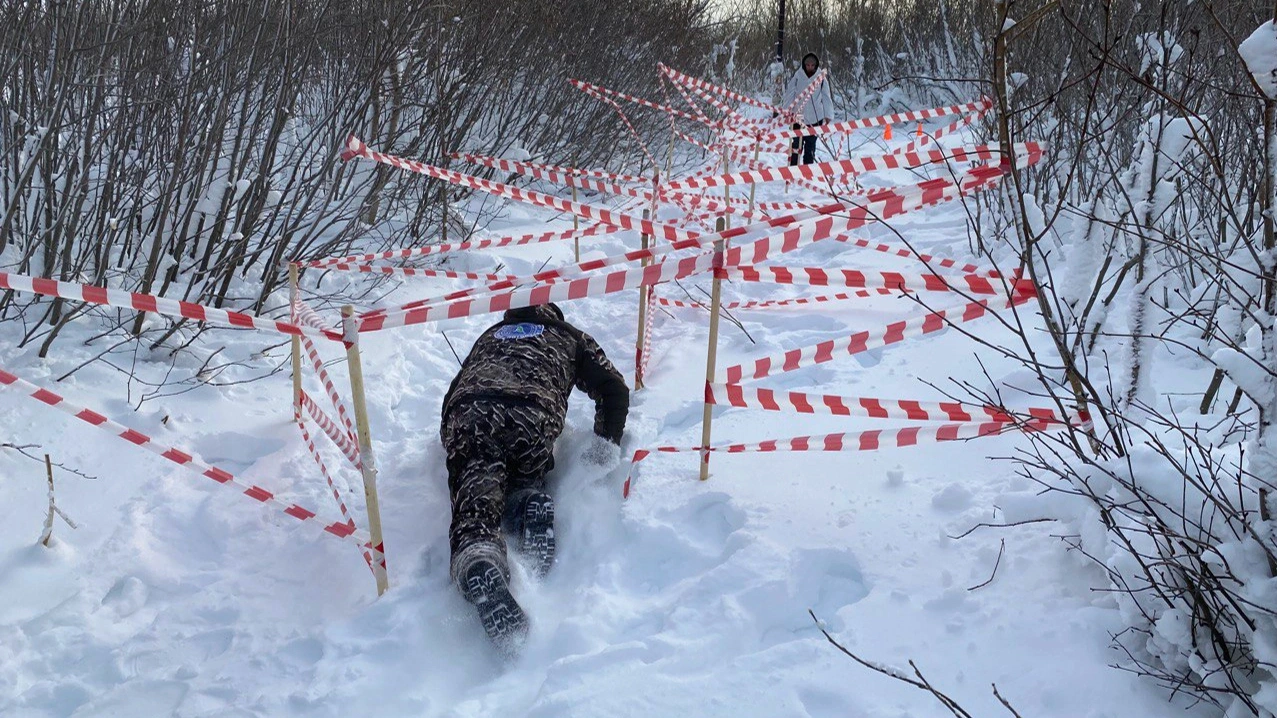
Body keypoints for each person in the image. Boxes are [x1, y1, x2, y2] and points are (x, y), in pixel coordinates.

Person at [439, 302, 629, 651]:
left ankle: (479, 555)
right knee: (524, 470)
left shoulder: (490, 335)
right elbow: (614, 388)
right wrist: (606, 443)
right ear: (551, 313)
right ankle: (526, 500)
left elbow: (454, 393)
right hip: (532, 416)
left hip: (473, 411)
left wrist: (458, 450)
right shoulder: (569, 336)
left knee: (476, 500)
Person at [783, 53, 835, 166]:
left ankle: (808, 171)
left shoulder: (821, 78)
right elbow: (789, 95)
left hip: (815, 118)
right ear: (804, 65)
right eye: (808, 65)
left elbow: (826, 96)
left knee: (810, 147)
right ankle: (793, 169)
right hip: (797, 118)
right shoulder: (797, 77)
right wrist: (786, 112)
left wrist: (828, 114)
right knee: (796, 145)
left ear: (815, 65)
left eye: (812, 65)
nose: (810, 67)